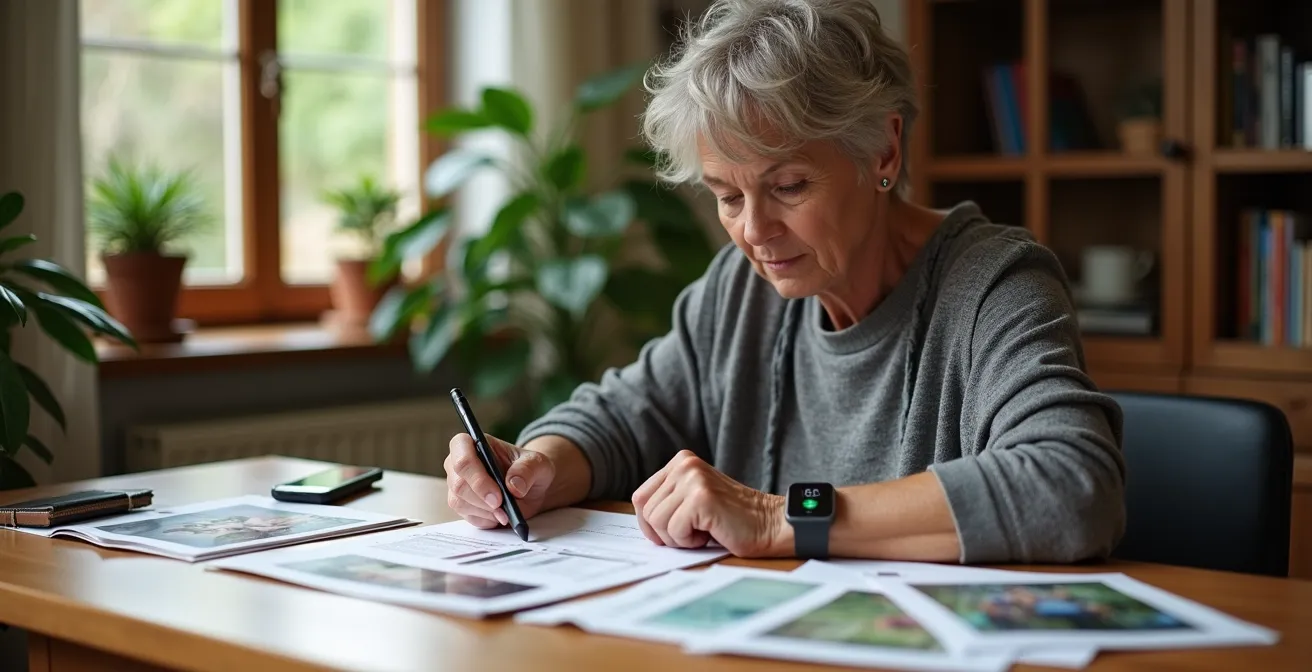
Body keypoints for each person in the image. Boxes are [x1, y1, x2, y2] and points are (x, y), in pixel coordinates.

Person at [444, 0, 1125, 565]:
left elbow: (1070, 486)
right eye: (728, 196)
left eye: (789, 185)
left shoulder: (994, 284)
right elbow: (622, 416)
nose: (755, 232)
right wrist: (533, 468)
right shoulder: (741, 292)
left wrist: (780, 517)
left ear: (883, 150)